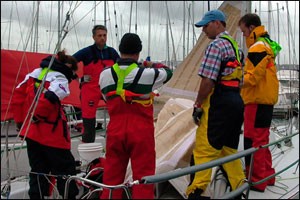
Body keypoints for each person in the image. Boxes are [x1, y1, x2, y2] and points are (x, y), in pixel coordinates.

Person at [99, 33, 173, 199]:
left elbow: (105, 97)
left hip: (115, 130)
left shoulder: (104, 75)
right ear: (138, 52)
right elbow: (168, 72)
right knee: (143, 178)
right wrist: (149, 63)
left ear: (120, 50)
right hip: (140, 131)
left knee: (111, 178)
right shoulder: (146, 74)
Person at [186, 10, 246, 199]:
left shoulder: (216, 46)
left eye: (206, 25)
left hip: (218, 104)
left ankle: (197, 192)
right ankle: (240, 189)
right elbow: (240, 80)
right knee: (228, 151)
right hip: (236, 102)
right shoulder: (236, 48)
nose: (203, 30)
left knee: (204, 150)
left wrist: (198, 104)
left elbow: (208, 81)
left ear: (218, 24)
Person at [11, 50, 79, 199]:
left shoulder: (34, 73)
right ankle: (69, 196)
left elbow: (17, 95)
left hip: (32, 133)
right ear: (68, 68)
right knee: (65, 170)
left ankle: (37, 196)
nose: (70, 80)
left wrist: (21, 121)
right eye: (72, 76)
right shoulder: (60, 78)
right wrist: (37, 116)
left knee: (38, 170)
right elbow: (51, 96)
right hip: (51, 135)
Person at [238, 13, 281, 192]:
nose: (243, 35)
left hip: (256, 101)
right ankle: (267, 175)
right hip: (266, 101)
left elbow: (252, 77)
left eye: (243, 31)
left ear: (251, 28)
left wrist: (235, 79)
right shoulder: (267, 45)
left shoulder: (257, 47)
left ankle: (256, 180)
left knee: (253, 141)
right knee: (262, 140)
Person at [73, 24, 120, 143]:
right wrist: (79, 79)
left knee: (118, 114)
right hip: (90, 88)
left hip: (107, 87)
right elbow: (69, 63)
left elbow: (122, 66)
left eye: (104, 35)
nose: (102, 38)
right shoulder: (86, 52)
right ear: (94, 37)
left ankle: (116, 143)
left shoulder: (112, 52)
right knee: (88, 121)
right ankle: (88, 151)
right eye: (99, 35)